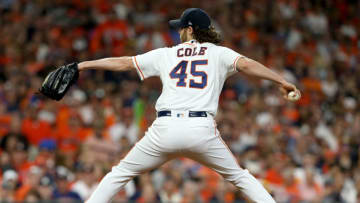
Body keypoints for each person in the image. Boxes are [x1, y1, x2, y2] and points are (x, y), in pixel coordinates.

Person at [79, 8, 300, 203]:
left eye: (182, 28)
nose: (179, 32)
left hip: (164, 129)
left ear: (191, 30)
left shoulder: (167, 53)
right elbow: (247, 64)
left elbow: (124, 62)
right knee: (240, 176)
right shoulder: (219, 53)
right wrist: (281, 80)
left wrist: (82, 65)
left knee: (121, 172)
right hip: (200, 129)